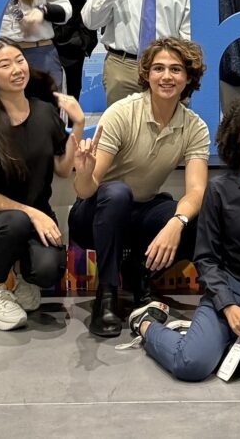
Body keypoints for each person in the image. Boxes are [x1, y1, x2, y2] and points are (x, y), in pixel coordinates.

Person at [127, 96, 240, 382]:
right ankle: (146, 324)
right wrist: (228, 306)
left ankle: (210, 338)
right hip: (230, 289)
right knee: (191, 365)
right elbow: (206, 258)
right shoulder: (219, 189)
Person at [70, 38, 209, 337]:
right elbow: (87, 189)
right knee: (118, 193)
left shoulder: (194, 126)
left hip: (141, 212)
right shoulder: (122, 113)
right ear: (146, 74)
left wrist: (176, 222)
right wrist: (83, 171)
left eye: (175, 69)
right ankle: (106, 295)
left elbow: (196, 191)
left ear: (189, 78)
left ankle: (141, 274)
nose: (167, 76)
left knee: (192, 217)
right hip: (95, 215)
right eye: (158, 68)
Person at [0, 37, 83, 331]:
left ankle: (19, 275)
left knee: (47, 270)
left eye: (19, 60)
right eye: (5, 65)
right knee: (16, 222)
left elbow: (63, 169)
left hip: (36, 220)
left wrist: (77, 126)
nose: (17, 69)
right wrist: (31, 213)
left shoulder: (44, 112)